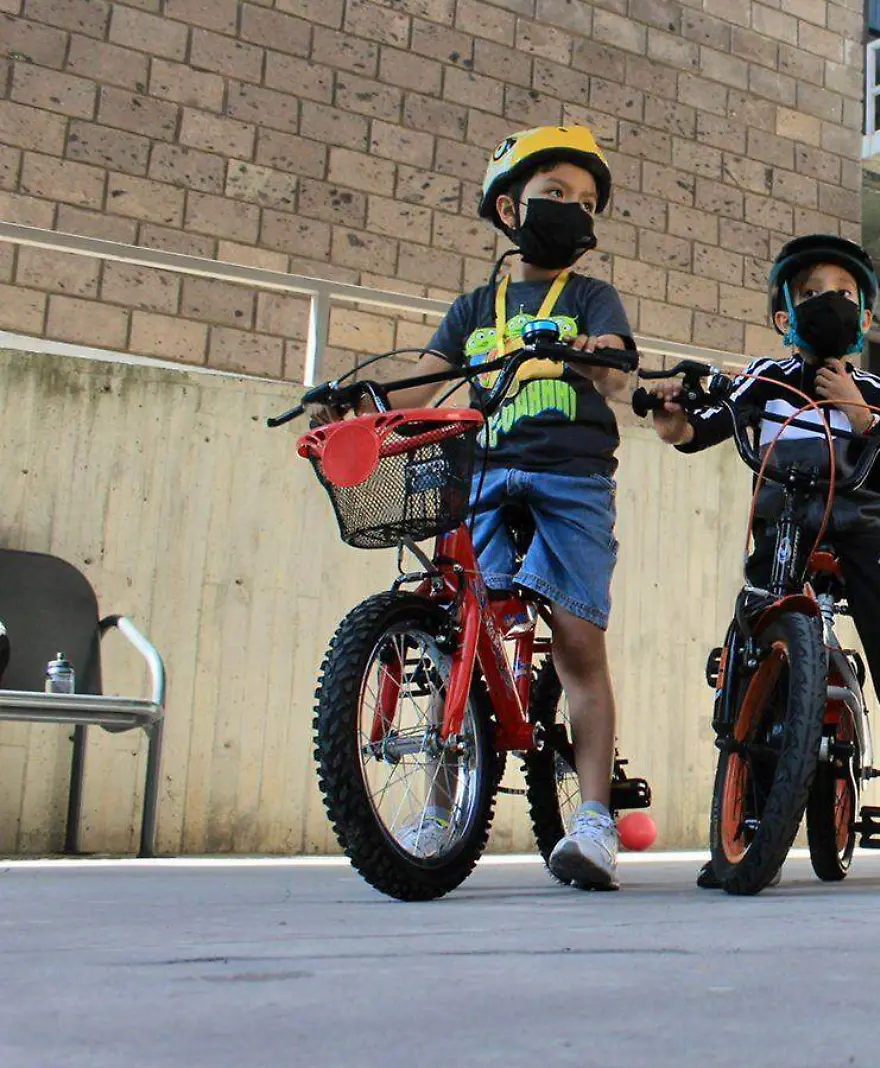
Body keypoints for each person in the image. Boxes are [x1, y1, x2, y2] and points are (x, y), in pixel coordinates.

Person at [308, 126, 634, 890]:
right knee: (463, 636)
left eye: (586, 203)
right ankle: (444, 804)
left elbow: (617, 365)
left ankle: (594, 819)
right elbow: (423, 384)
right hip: (481, 471)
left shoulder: (589, 295)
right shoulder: (473, 307)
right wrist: (359, 405)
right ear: (508, 206)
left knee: (577, 638)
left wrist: (591, 348)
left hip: (570, 472)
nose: (572, 210)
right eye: (555, 194)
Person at [649, 234, 880, 886]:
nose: (828, 303)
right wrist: (677, 424)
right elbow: (708, 423)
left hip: (859, 532)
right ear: (784, 317)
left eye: (844, 294)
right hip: (780, 532)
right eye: (809, 295)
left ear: (866, 318)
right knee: (746, 657)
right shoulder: (763, 381)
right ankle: (744, 821)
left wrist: (860, 417)